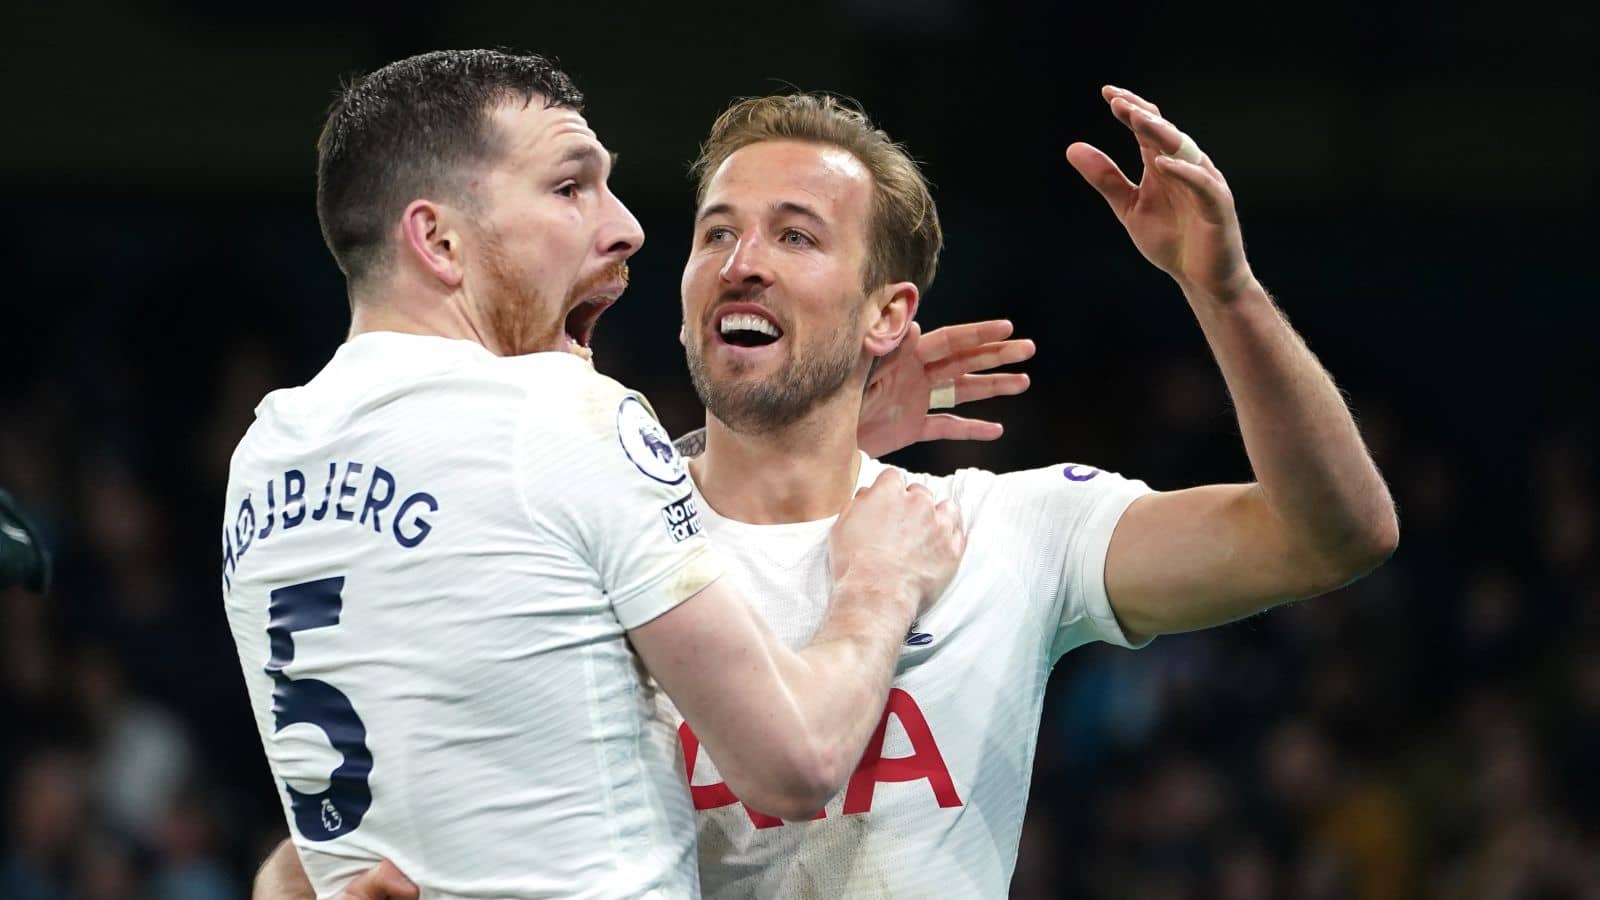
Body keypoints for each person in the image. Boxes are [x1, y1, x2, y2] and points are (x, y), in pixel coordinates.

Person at [259, 85, 1399, 898]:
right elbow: (361, 799)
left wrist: (1228, 290)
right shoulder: (567, 528)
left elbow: (1330, 536)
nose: (739, 261)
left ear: (886, 315)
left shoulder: (997, 528)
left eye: (794, 236)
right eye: (717, 234)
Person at [221, 50, 970, 900]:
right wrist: (881, 580)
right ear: (438, 240)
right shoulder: (570, 411)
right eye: (570, 187)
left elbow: (415, 765)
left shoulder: (266, 456)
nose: (627, 227)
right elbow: (795, 761)